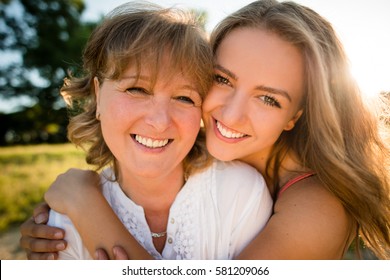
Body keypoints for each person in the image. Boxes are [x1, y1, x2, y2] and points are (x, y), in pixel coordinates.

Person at [20, 0, 390, 260]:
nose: (230, 112)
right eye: (222, 79)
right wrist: (58, 227)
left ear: (296, 115)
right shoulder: (198, 145)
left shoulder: (317, 208)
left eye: (269, 100)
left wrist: (84, 204)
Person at [20, 1, 273, 260]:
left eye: (184, 98)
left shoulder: (240, 192)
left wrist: (84, 203)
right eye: (137, 89)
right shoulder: (62, 226)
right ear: (97, 96)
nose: (160, 121)